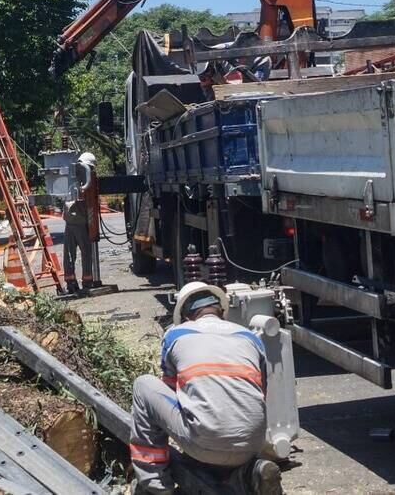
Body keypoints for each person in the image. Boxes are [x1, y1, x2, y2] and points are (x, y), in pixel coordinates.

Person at [130, 282, 269, 493]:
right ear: (221, 312)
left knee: (143, 385)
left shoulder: (175, 335)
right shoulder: (251, 338)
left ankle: (155, 485)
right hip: (253, 444)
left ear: (186, 316)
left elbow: (172, 392)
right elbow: (262, 395)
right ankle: (250, 471)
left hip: (205, 443)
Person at [62, 151, 100, 294]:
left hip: (69, 220)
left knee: (69, 254)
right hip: (81, 222)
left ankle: (71, 283)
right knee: (86, 253)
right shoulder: (86, 175)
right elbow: (89, 197)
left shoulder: (71, 172)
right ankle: (87, 281)